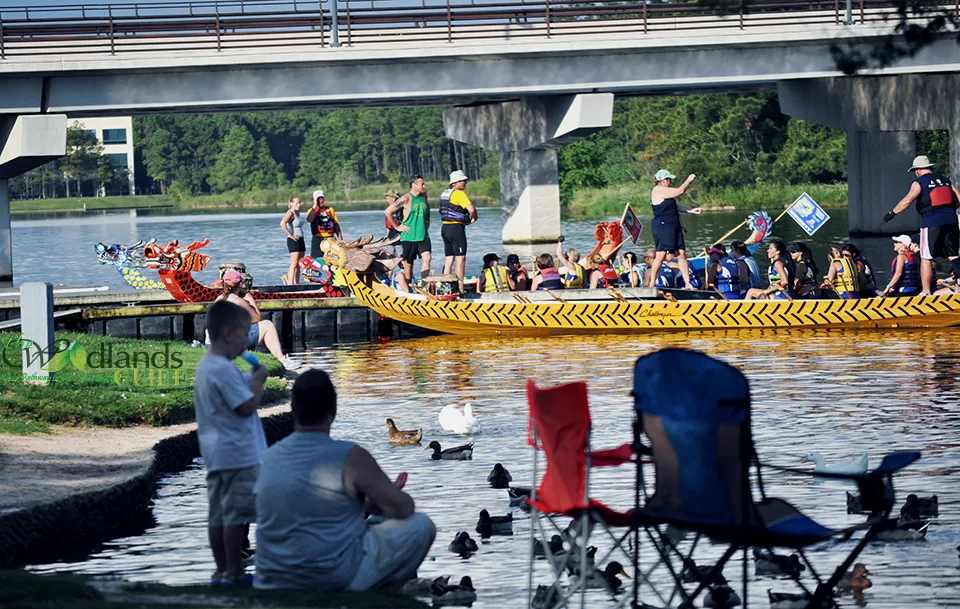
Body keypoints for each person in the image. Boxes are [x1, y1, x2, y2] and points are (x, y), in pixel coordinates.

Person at [254, 369, 436, 591]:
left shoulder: (268, 458)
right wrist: (384, 497)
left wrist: (364, 504)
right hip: (330, 577)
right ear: (334, 410)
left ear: (292, 410)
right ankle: (384, 595)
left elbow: (305, 509)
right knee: (421, 524)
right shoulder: (351, 456)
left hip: (275, 578)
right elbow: (404, 508)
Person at [196, 299, 270, 587]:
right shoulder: (223, 370)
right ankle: (234, 572)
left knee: (218, 514)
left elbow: (232, 390)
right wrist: (259, 381)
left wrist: (248, 377)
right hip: (236, 454)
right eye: (244, 334)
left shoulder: (209, 366)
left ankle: (221, 571)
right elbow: (245, 406)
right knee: (235, 515)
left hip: (216, 453)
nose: (246, 342)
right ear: (229, 334)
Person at [882, 155, 960, 295]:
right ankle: (959, 285)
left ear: (917, 170)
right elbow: (958, 197)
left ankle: (925, 291)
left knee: (926, 256)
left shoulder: (918, 183)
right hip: (952, 221)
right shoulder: (945, 180)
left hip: (931, 223)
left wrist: (891, 213)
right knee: (953, 255)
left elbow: (907, 201)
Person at [218, 270, 301, 371]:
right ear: (240, 284)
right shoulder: (237, 300)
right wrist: (250, 299)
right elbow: (257, 318)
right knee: (267, 325)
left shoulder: (219, 298)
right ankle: (282, 359)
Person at [645, 169, 702, 289]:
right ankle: (652, 284)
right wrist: (688, 180)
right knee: (661, 255)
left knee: (681, 254)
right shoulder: (658, 190)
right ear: (663, 180)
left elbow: (674, 206)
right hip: (662, 226)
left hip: (674, 226)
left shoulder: (665, 192)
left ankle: (687, 283)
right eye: (669, 179)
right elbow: (680, 191)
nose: (670, 181)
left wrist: (690, 210)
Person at [386, 176, 432, 293]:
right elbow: (388, 211)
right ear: (414, 185)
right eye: (422, 184)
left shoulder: (424, 196)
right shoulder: (406, 198)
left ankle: (425, 288)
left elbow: (427, 211)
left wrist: (427, 222)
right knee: (408, 264)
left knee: (427, 258)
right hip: (409, 236)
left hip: (423, 235)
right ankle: (408, 289)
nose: (424, 186)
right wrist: (397, 226)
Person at [439, 170, 478, 291]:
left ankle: (446, 287)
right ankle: (460, 289)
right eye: (463, 181)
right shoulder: (459, 194)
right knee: (460, 259)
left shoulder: (444, 193)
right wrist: (473, 219)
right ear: (455, 183)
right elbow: (471, 209)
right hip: (456, 229)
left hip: (445, 228)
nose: (465, 183)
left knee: (449, 259)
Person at [307, 190, 342, 259]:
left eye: (322, 198)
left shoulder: (330, 210)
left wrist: (340, 239)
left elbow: (336, 225)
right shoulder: (311, 211)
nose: (320, 201)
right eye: (318, 199)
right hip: (318, 239)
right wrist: (315, 205)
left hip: (330, 238)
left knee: (333, 259)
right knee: (316, 259)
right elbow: (310, 219)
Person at [280, 197, 306, 285]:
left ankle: (297, 283)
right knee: (294, 263)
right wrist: (291, 234)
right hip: (293, 240)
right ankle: (291, 284)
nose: (299, 205)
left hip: (301, 239)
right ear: (291, 203)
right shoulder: (290, 213)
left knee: (299, 264)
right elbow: (282, 223)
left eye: (299, 203)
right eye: (297, 203)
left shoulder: (297, 213)